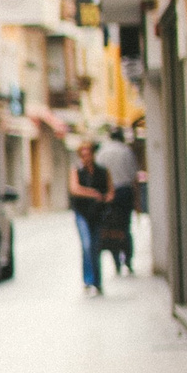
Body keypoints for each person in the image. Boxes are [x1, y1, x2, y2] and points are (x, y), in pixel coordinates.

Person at [95, 126, 139, 276]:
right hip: (124, 192)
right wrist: (137, 200)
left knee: (111, 227)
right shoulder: (126, 151)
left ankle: (116, 262)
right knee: (125, 227)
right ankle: (128, 260)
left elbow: (98, 173)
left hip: (108, 193)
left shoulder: (102, 151)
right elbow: (134, 176)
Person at [70, 139, 111, 296]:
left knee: (96, 246)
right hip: (82, 213)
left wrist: (106, 198)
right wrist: (93, 193)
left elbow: (110, 190)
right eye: (83, 154)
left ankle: (98, 282)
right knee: (86, 244)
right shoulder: (76, 170)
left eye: (88, 154)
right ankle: (88, 281)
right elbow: (74, 189)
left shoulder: (103, 171)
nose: (85, 157)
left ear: (93, 154)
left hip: (98, 213)